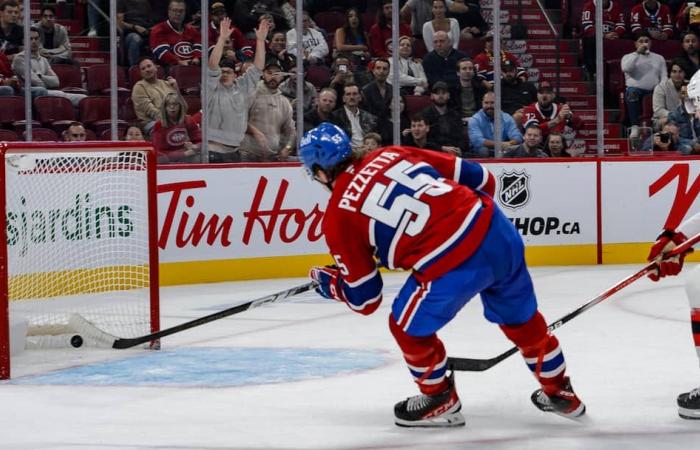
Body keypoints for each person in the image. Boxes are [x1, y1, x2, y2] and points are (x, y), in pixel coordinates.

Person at [300, 121, 586, 428]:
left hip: (452, 264)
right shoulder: (390, 154)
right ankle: (560, 391)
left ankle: (439, 398)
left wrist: (332, 284)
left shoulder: (337, 218)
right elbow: (483, 179)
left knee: (405, 327)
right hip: (497, 231)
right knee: (523, 321)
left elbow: (365, 298)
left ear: (319, 171)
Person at [207, 17, 269, 163]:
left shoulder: (241, 86)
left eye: (228, 71)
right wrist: (222, 39)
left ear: (235, 74)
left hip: (235, 150)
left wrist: (260, 41)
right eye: (221, 71)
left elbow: (258, 68)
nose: (223, 74)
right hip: (213, 150)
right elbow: (212, 65)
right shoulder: (211, 88)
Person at [12, 28, 86, 106]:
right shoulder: (20, 58)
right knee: (79, 98)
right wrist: (46, 80)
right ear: (24, 41)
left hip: (47, 92)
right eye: (30, 39)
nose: (34, 41)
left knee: (83, 98)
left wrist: (40, 76)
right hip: (30, 94)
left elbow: (56, 82)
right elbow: (37, 83)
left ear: (40, 41)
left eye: (36, 39)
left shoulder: (43, 59)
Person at [239, 61, 296, 162]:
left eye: (277, 74)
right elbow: (237, 120)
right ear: (263, 74)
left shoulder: (284, 102)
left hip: (271, 156)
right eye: (269, 73)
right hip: (247, 154)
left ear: (282, 77)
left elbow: (291, 131)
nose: (273, 76)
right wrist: (254, 131)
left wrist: (287, 148)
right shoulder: (251, 94)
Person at [622, 32, 668, 138]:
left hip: (654, 89)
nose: (644, 44)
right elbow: (626, 68)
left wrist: (660, 88)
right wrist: (638, 53)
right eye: (641, 41)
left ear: (650, 43)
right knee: (632, 92)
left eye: (646, 41)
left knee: (665, 91)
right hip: (635, 89)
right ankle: (635, 127)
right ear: (636, 44)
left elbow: (664, 76)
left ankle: (658, 125)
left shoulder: (659, 58)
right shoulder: (628, 57)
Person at [131, 57, 179, 134]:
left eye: (149, 66)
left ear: (156, 67)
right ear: (141, 73)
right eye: (143, 69)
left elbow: (179, 105)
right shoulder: (139, 87)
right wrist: (171, 121)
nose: (147, 70)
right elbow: (150, 111)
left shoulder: (167, 84)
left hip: (172, 121)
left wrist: (176, 89)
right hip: (152, 123)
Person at [468, 91, 523, 157]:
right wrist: (499, 144)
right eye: (486, 103)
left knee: (519, 148)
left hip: (503, 149)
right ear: (482, 103)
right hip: (482, 149)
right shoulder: (475, 119)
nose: (489, 106)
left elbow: (517, 136)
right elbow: (477, 140)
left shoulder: (506, 117)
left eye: (492, 103)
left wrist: (509, 143)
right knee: (483, 151)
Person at [579, 0, 626, 78]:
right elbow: (587, 26)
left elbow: (621, 25)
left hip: (612, 34)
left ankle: (620, 71)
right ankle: (592, 71)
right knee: (589, 40)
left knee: (626, 40)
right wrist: (603, 35)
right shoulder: (589, 6)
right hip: (595, 36)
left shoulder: (616, 6)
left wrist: (615, 33)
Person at [151, 92, 201, 163]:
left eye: (175, 104)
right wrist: (183, 154)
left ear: (180, 106)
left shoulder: (188, 120)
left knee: (199, 158)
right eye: (169, 105)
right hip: (169, 161)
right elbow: (158, 154)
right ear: (164, 108)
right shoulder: (159, 125)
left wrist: (195, 146)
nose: (172, 107)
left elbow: (201, 141)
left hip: (188, 157)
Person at [150, 0, 202, 67]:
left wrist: (196, 57)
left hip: (192, 68)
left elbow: (200, 45)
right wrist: (178, 61)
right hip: (169, 70)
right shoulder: (158, 30)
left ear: (185, 12)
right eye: (174, 10)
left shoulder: (192, 30)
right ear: (168, 11)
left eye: (181, 11)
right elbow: (161, 52)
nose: (178, 14)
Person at [330, 83, 379, 149]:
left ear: (360, 97)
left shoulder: (369, 117)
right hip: (348, 153)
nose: (351, 97)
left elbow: (375, 139)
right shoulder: (335, 117)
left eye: (354, 94)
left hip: (368, 152)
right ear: (343, 99)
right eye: (348, 94)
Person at [117, 0, 159, 68]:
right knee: (135, 38)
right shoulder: (122, 2)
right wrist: (135, 27)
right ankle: (134, 69)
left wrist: (149, 29)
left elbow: (152, 21)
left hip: (145, 31)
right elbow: (119, 23)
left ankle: (157, 68)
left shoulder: (146, 3)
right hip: (129, 34)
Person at [652, 61, 686, 130]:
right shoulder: (660, 87)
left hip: (686, 120)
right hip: (664, 119)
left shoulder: (690, 86)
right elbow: (659, 111)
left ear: (684, 73)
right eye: (674, 71)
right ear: (670, 74)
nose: (677, 74)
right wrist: (676, 116)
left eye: (680, 71)